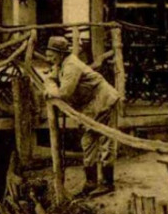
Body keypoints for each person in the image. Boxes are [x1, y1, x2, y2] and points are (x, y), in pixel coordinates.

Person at [42, 34, 121, 193]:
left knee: (106, 141)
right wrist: (51, 87)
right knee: (88, 142)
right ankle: (91, 183)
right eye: (48, 55)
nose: (49, 59)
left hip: (104, 101)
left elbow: (65, 92)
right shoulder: (61, 64)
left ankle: (107, 183)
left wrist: (51, 92)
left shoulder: (71, 65)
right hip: (89, 107)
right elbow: (49, 78)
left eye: (52, 55)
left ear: (61, 53)